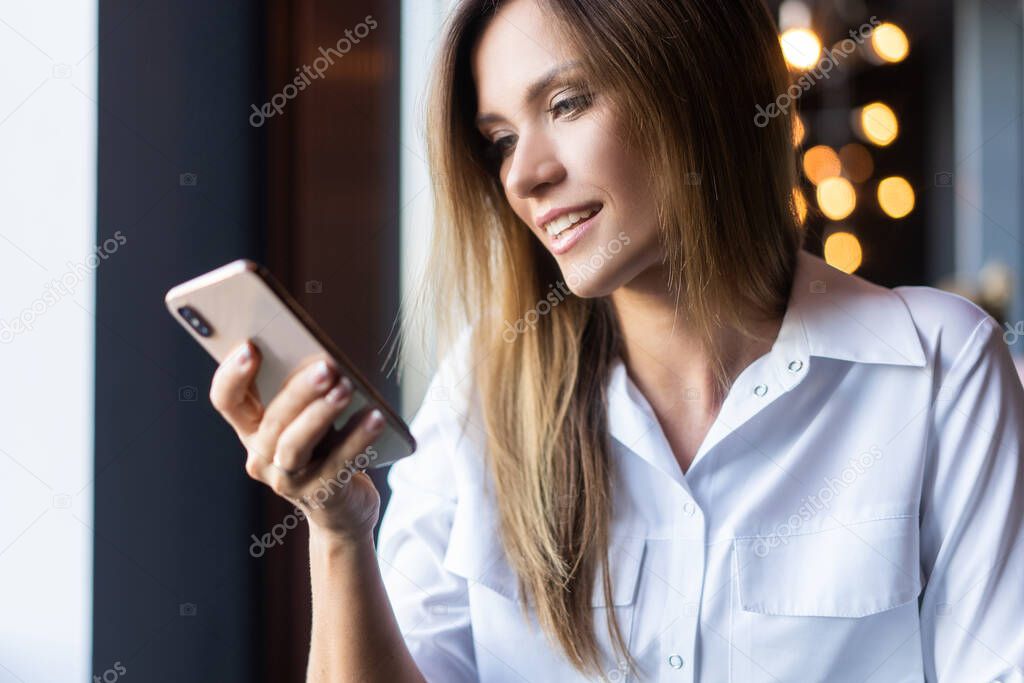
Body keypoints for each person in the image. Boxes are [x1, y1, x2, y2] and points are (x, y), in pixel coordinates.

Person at [208, 0, 1024, 681]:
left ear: (696, 87)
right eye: (499, 140)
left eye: (565, 105)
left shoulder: (939, 367)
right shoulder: (483, 392)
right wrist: (337, 526)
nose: (525, 176)